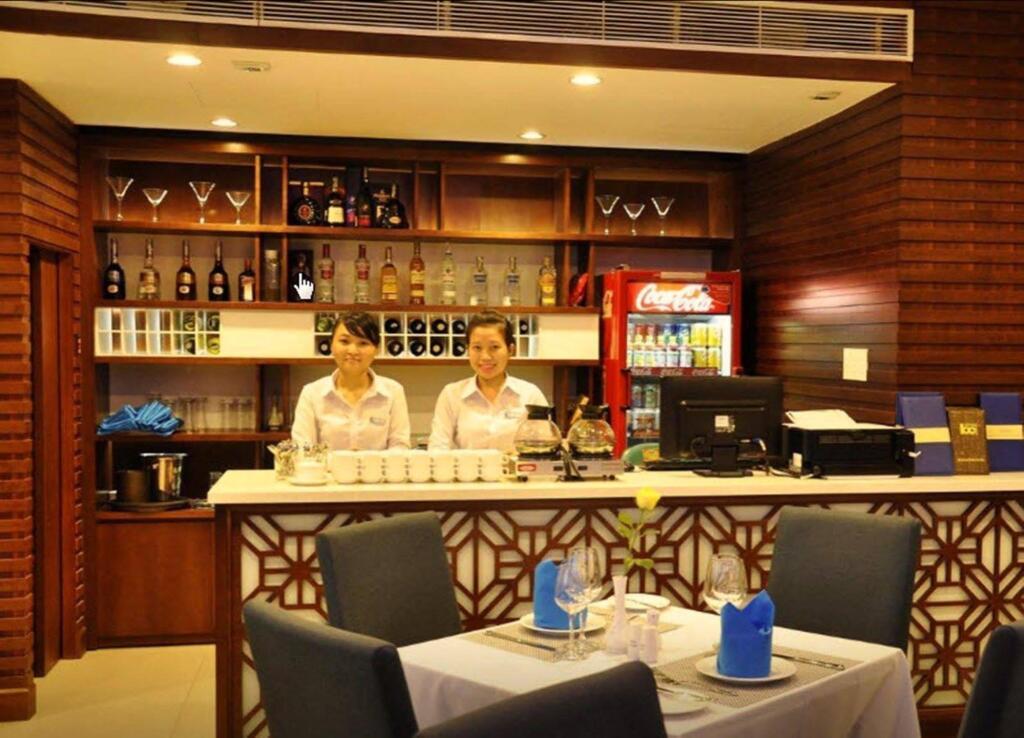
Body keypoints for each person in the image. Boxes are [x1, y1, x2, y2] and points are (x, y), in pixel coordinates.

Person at [428, 310, 548, 451]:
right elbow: (438, 448)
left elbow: (545, 447)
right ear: (468, 350)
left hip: (517, 466)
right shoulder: (451, 394)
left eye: (494, 347)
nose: (485, 357)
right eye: (477, 348)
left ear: (511, 350)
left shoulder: (530, 395)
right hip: (467, 466)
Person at [292, 311, 410, 450]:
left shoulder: (393, 392)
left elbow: (400, 447)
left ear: (376, 349)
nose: (353, 351)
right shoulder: (312, 393)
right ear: (331, 345)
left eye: (363, 343)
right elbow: (302, 449)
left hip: (377, 466)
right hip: (325, 466)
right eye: (344, 341)